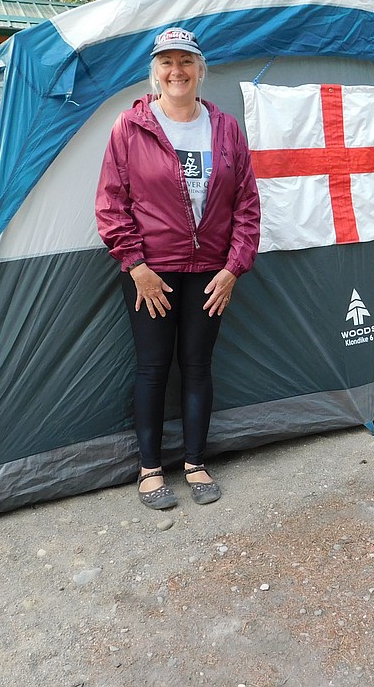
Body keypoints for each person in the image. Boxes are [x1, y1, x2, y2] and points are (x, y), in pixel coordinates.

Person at [95, 27, 261, 509]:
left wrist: (234, 267)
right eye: (167, 62)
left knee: (197, 367)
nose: (177, 71)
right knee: (152, 369)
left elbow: (247, 204)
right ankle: (150, 470)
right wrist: (135, 265)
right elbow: (111, 203)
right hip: (153, 272)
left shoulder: (226, 128)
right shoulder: (131, 127)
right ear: (155, 72)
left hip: (211, 271)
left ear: (200, 70)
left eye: (185, 62)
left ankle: (195, 462)